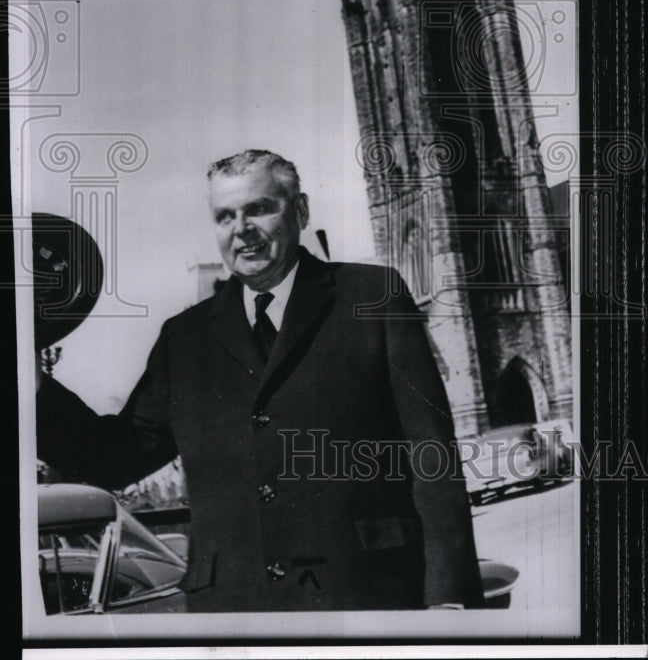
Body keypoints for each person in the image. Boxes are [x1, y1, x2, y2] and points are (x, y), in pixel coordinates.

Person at [36, 149, 484, 612]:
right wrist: (32, 387)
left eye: (259, 209)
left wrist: (449, 599)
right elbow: (116, 457)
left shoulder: (373, 297)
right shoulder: (184, 338)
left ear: (302, 211)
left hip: (366, 599)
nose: (241, 229)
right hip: (234, 613)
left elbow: (432, 457)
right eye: (224, 216)